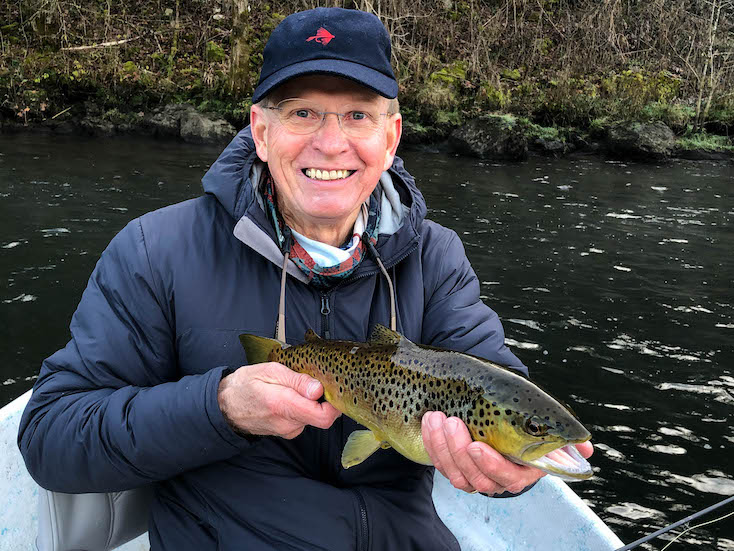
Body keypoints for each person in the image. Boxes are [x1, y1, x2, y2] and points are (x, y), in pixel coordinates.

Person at [18, 7, 591, 550]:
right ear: (260, 133)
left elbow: (493, 375)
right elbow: (51, 439)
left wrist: (515, 469)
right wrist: (219, 408)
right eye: (302, 113)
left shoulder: (435, 257)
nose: (331, 142)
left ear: (390, 140)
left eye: (357, 115)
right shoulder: (155, 252)